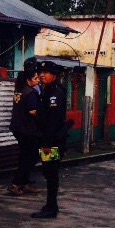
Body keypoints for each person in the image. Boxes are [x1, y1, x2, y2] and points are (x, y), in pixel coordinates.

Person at [31, 61, 70, 219]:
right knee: (49, 172)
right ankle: (50, 205)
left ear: (54, 75)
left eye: (46, 72)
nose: (42, 75)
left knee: (51, 172)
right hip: (49, 139)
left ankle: (51, 207)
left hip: (52, 141)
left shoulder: (54, 93)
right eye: (40, 72)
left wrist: (47, 144)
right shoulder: (48, 90)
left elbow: (53, 120)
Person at [7, 68, 42, 196]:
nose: (38, 80)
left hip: (19, 128)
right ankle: (16, 184)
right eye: (35, 78)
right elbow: (33, 111)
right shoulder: (31, 93)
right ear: (28, 80)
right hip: (28, 130)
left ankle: (25, 183)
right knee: (31, 157)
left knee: (25, 155)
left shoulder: (19, 92)